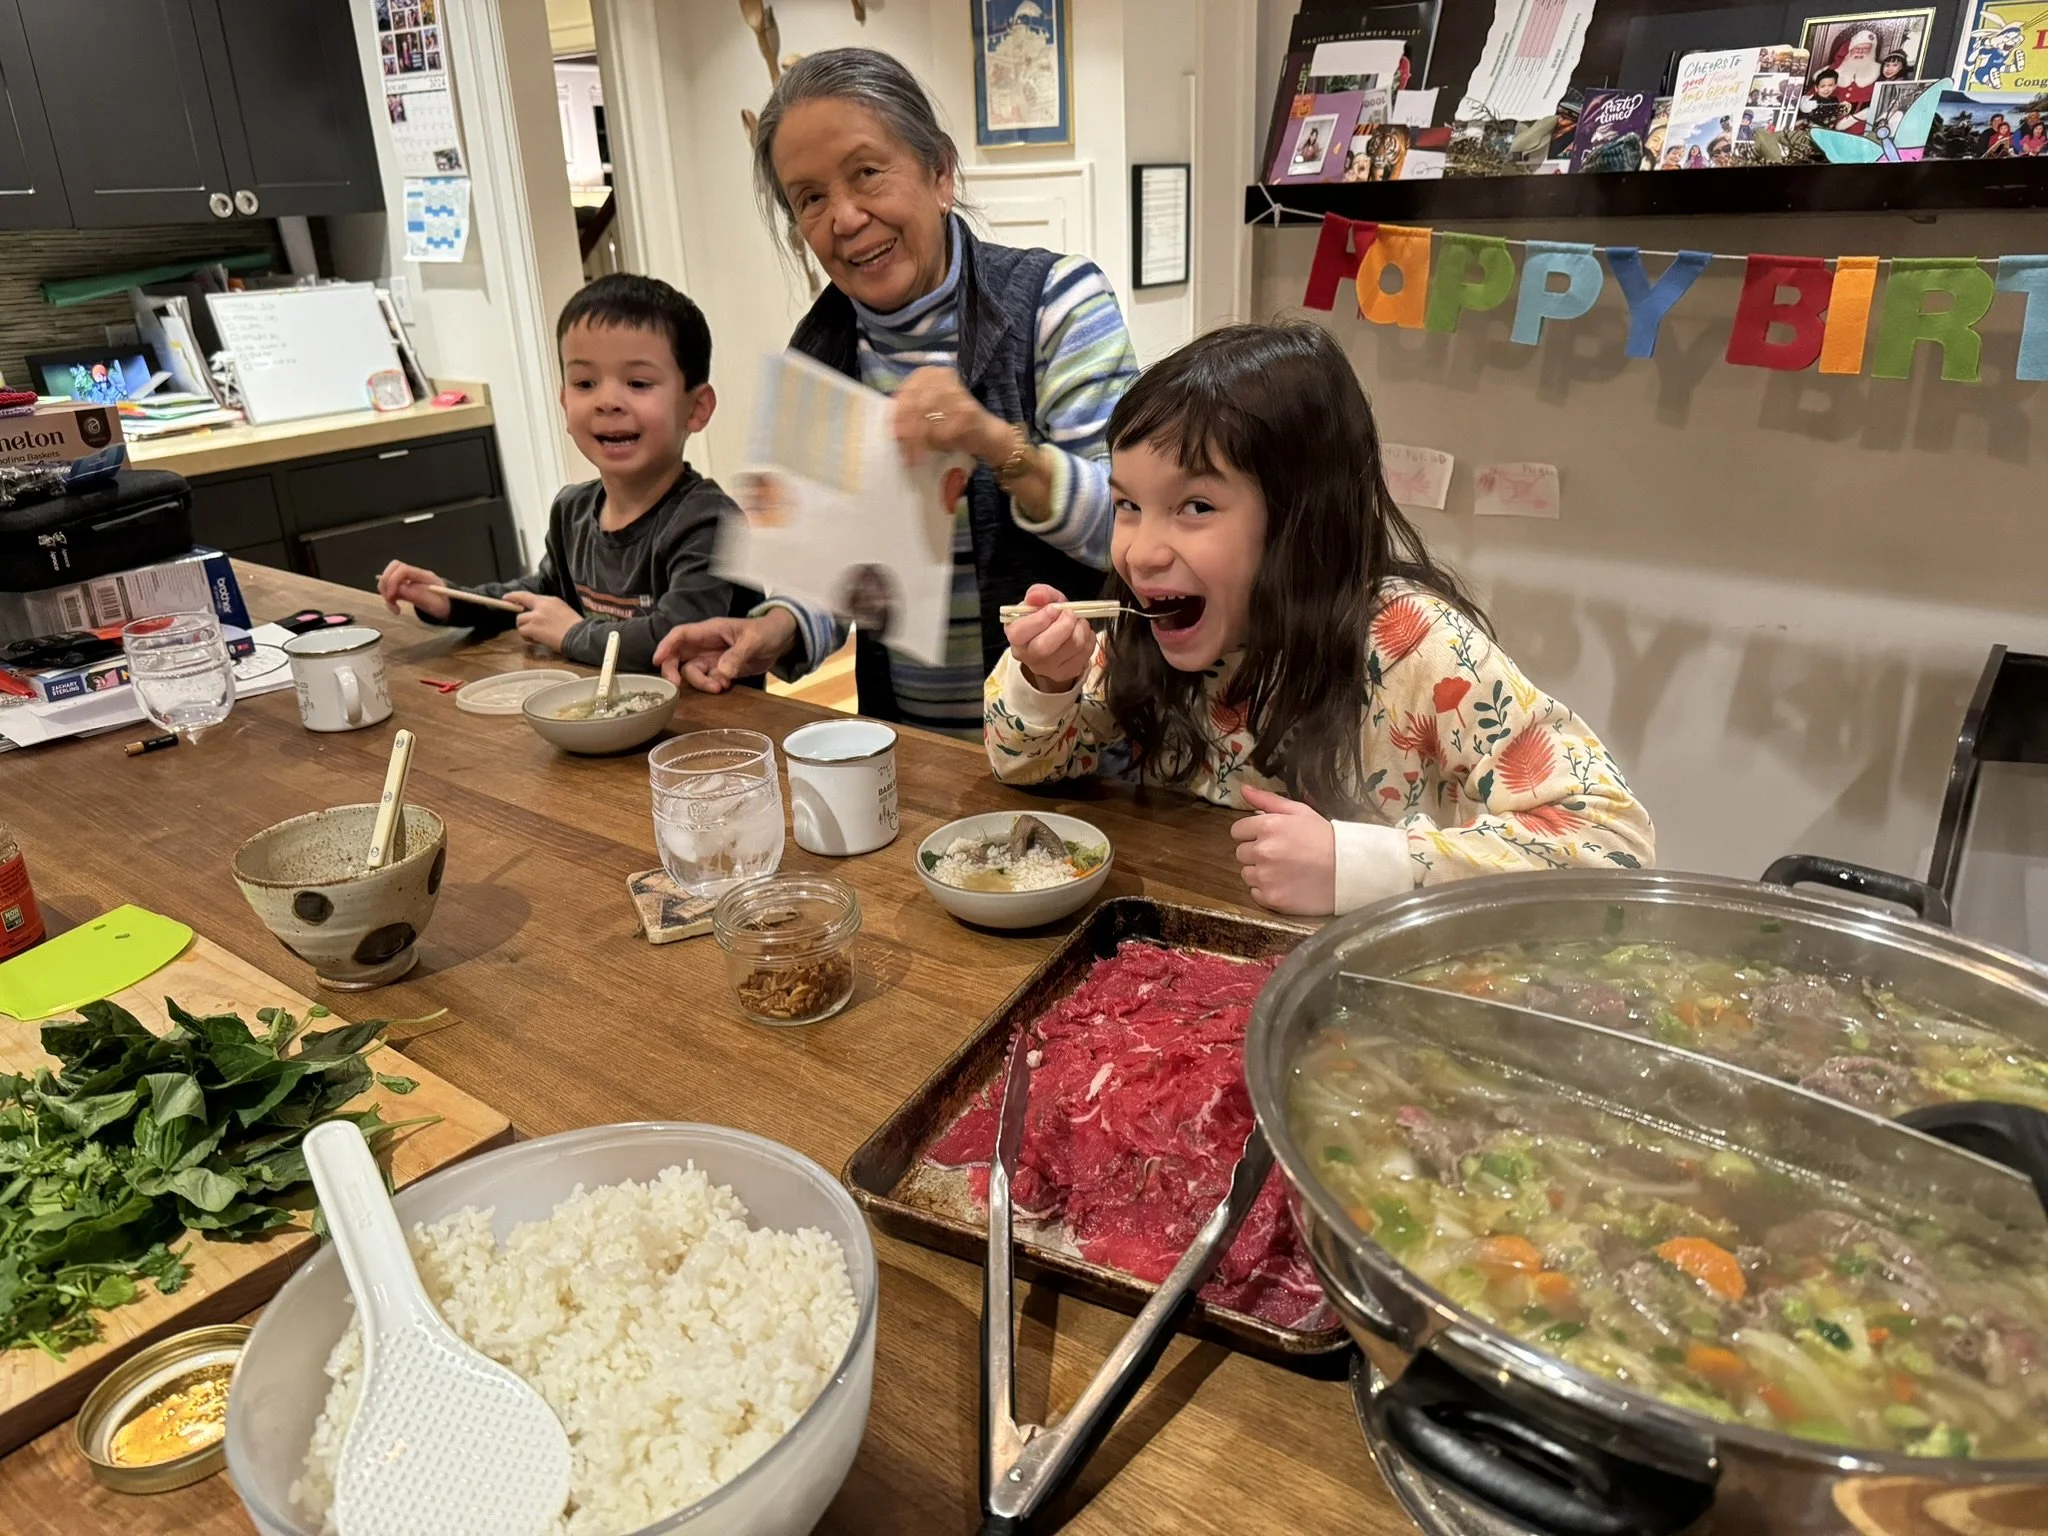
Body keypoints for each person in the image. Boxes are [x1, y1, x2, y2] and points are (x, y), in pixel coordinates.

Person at [984, 323, 1654, 918]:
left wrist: (1358, 865)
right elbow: (1025, 769)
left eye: (1194, 506)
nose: (1140, 551)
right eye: (1127, 504)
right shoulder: (1144, 635)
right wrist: (1047, 681)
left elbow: (1613, 847)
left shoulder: (1414, 647)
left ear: (1301, 520)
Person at [653, 47, 1138, 734]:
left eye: (867, 174)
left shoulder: (1057, 304)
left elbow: (1131, 530)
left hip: (1071, 740)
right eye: (811, 198)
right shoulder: (820, 351)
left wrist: (994, 443)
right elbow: (836, 570)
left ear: (939, 172)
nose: (845, 219)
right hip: (911, 749)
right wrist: (776, 628)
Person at [377, 274, 733, 672]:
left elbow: (679, 638)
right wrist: (451, 599)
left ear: (697, 408)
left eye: (637, 382)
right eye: (585, 383)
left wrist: (573, 635)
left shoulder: (710, 522)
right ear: (564, 401)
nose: (607, 401)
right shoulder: (572, 510)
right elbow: (542, 596)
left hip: (705, 729)